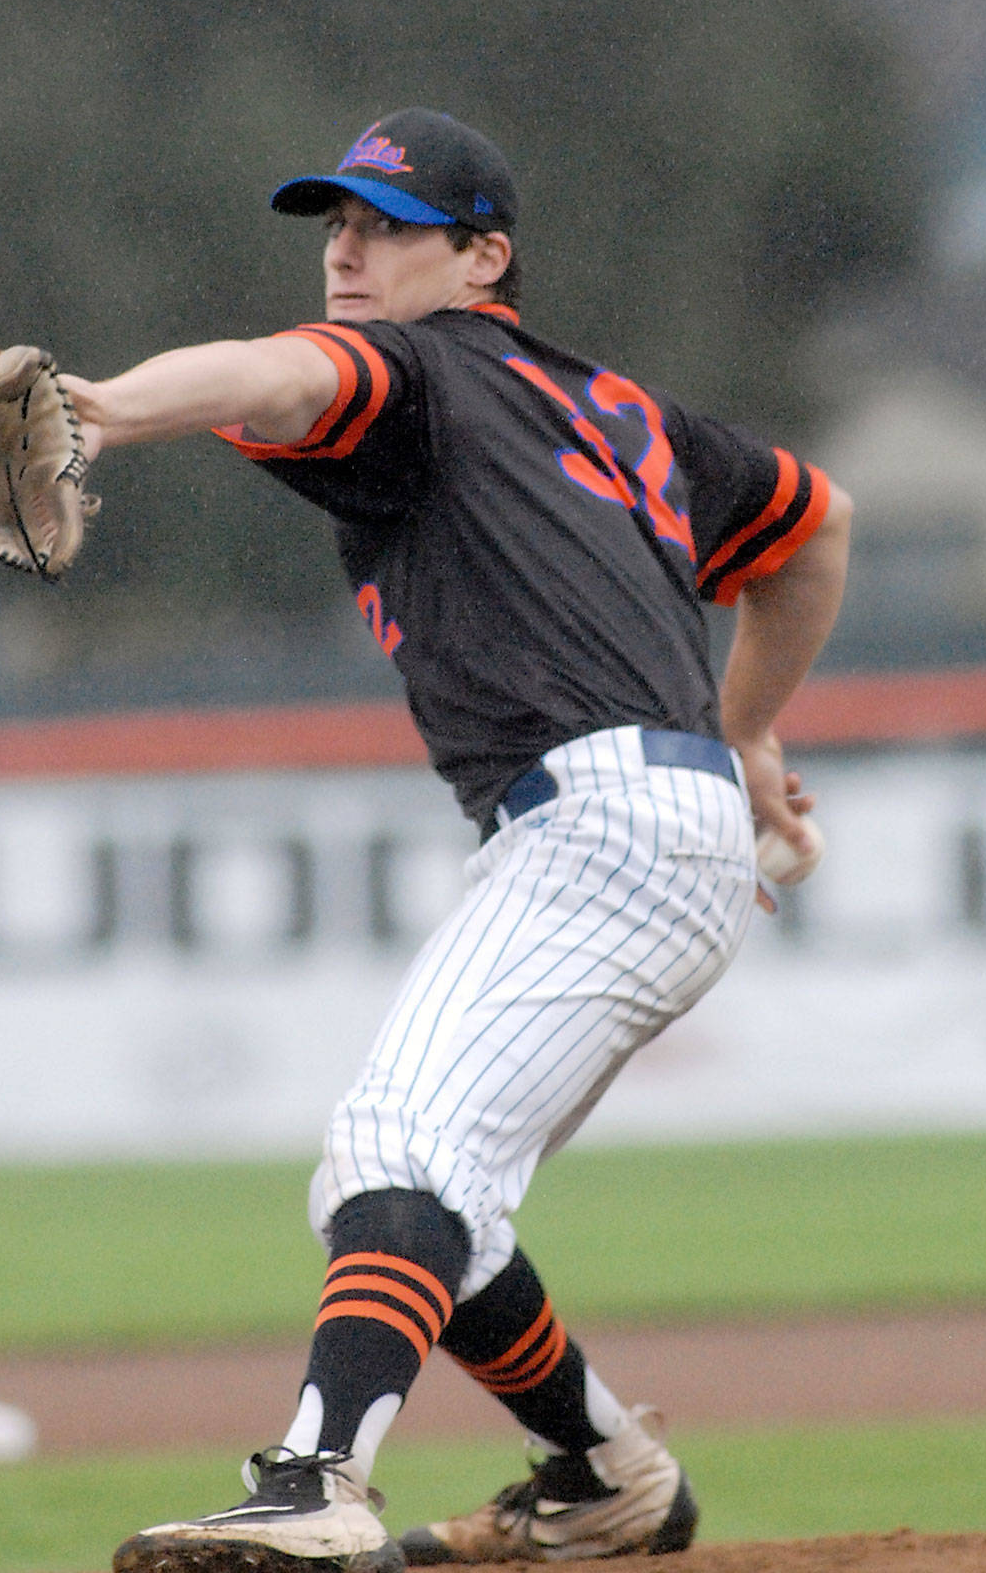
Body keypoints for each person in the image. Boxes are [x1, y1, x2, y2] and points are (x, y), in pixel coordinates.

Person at [62, 107, 851, 1573]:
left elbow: (274, 370)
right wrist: (743, 736)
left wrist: (95, 404)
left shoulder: (416, 369)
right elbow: (814, 529)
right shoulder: (621, 409)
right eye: (335, 225)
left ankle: (312, 1481)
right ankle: (606, 1476)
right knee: (433, 1205)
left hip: (601, 828)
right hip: (645, 828)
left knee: (395, 1149)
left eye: (388, 226)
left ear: (485, 257)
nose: (348, 252)